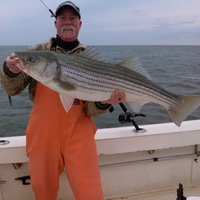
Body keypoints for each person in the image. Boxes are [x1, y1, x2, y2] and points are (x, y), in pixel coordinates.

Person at [0, 1, 126, 200]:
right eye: (62, 18)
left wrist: (105, 102)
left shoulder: (90, 58)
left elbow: (92, 109)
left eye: (72, 18)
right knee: (43, 192)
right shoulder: (37, 51)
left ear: (80, 24)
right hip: (43, 135)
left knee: (90, 193)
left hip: (79, 134)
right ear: (56, 23)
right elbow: (12, 89)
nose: (67, 22)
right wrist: (9, 70)